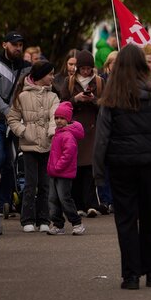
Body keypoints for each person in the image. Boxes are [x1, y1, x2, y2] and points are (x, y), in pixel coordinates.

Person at [93, 44, 151, 290]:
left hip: (121, 164)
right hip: (150, 162)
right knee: (150, 218)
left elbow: (101, 138)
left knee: (126, 220)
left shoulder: (111, 97)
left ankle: (130, 275)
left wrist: (98, 173)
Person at [7, 60, 59, 233]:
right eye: (50, 74)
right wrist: (23, 131)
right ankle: (27, 218)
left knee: (45, 184)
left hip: (47, 144)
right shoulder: (22, 96)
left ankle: (44, 218)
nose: (52, 77)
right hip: (29, 146)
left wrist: (52, 131)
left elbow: (55, 115)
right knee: (30, 183)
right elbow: (12, 118)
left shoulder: (53, 96)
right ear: (40, 76)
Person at [0, 31, 31, 218]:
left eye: (20, 45)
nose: (18, 48)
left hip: (17, 121)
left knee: (10, 164)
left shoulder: (27, 67)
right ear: (5, 45)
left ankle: (2, 203)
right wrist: (7, 111)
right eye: (14, 45)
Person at [58, 50, 103, 217]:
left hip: (92, 129)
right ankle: (78, 204)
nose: (86, 72)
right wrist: (76, 99)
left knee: (90, 167)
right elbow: (63, 106)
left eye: (88, 68)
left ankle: (91, 203)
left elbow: (105, 106)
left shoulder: (99, 82)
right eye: (83, 68)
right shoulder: (68, 82)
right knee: (75, 167)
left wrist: (93, 100)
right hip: (74, 128)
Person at [46, 101, 86, 235]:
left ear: (68, 119)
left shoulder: (67, 135)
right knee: (53, 199)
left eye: (62, 118)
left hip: (63, 173)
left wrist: (57, 166)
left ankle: (77, 223)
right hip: (54, 172)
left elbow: (68, 153)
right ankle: (57, 224)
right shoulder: (58, 133)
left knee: (64, 198)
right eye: (56, 118)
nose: (58, 121)